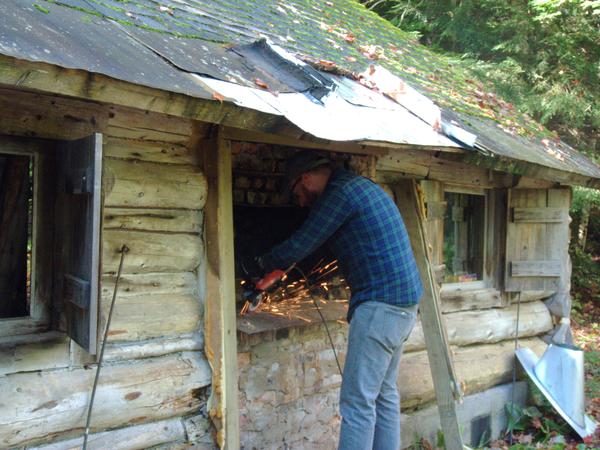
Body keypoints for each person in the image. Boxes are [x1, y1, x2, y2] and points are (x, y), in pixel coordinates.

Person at [256, 150, 423, 450]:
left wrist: (260, 264)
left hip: (380, 310)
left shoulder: (339, 194)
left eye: (298, 194)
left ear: (305, 178)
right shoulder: (358, 186)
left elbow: (303, 242)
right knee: (384, 396)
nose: (301, 202)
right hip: (404, 309)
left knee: (357, 404)